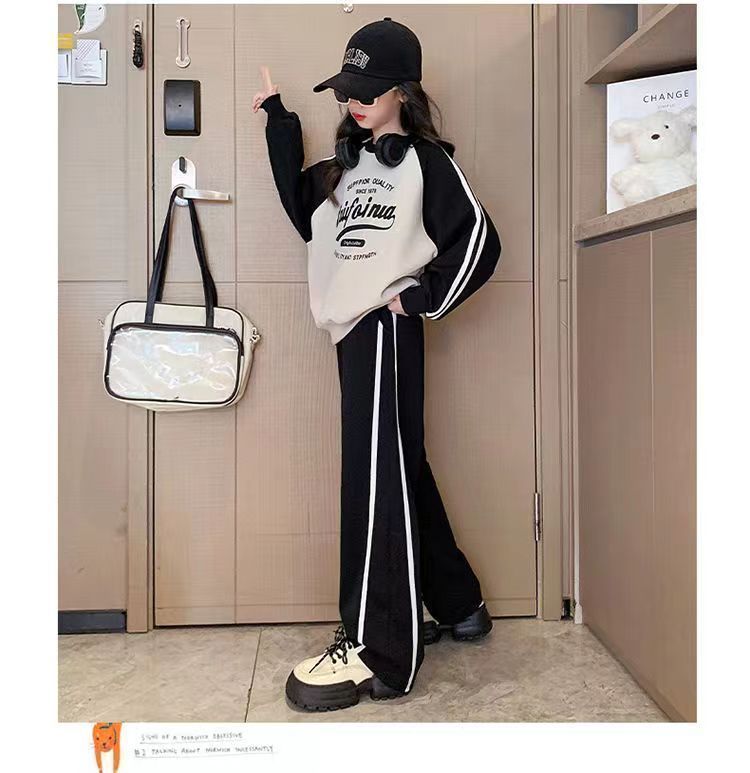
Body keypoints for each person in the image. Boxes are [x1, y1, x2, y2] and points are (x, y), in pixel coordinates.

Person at [252, 17, 502, 712]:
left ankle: (380, 648)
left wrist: (419, 297)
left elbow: (480, 241)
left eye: (367, 91)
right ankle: (460, 603)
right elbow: (301, 210)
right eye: (347, 91)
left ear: (402, 92)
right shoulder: (344, 166)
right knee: (396, 466)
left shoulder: (425, 162)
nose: (353, 102)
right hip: (350, 333)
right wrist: (279, 123)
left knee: (374, 477)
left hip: (387, 332)